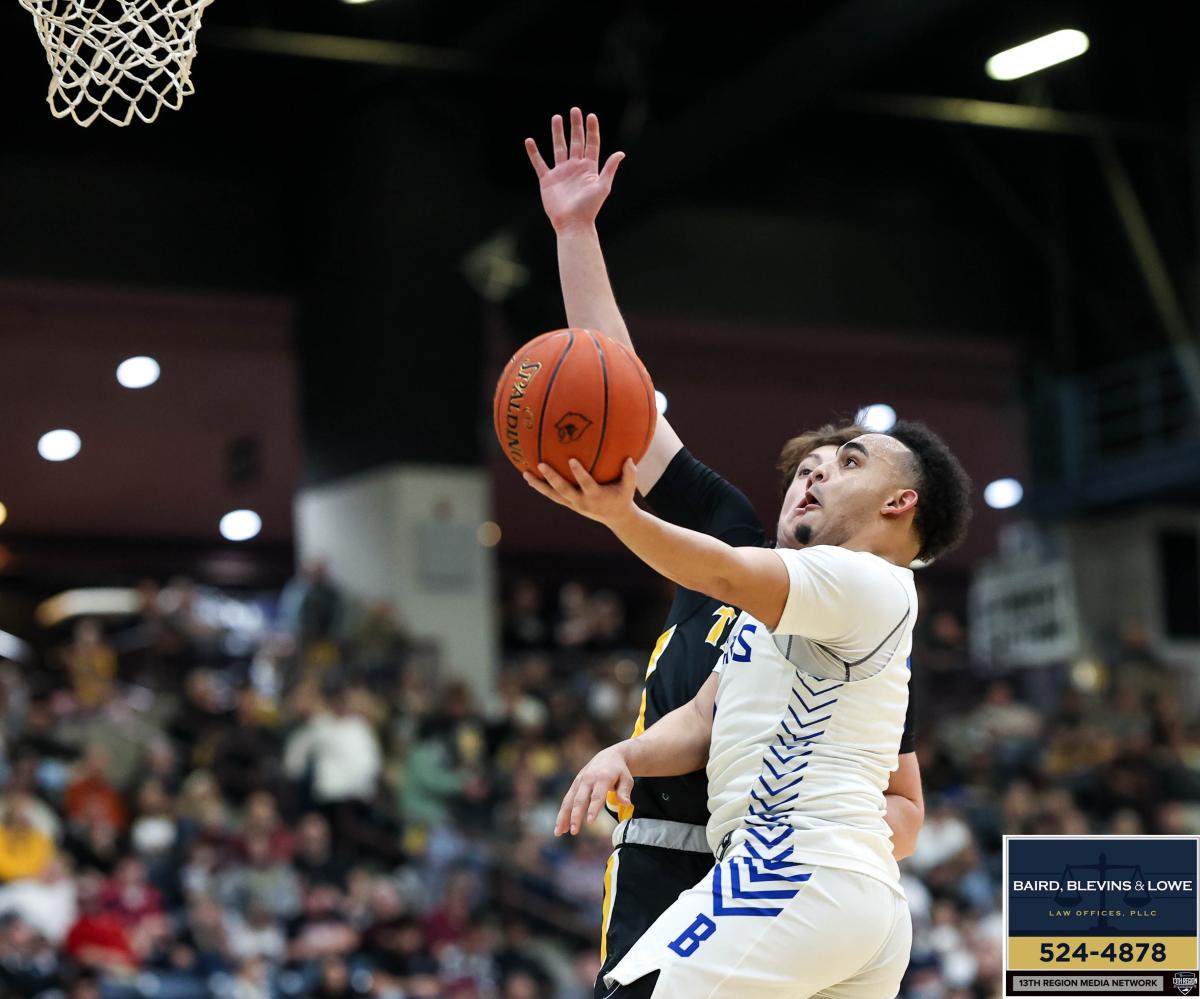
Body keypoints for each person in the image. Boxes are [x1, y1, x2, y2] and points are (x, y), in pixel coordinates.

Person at [525, 108, 932, 997]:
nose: (811, 476)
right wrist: (575, 234)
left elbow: (904, 802)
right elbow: (619, 393)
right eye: (807, 466)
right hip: (679, 849)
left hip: (792, 862)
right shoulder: (731, 532)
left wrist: (844, 830)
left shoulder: (856, 606)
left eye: (841, 465)